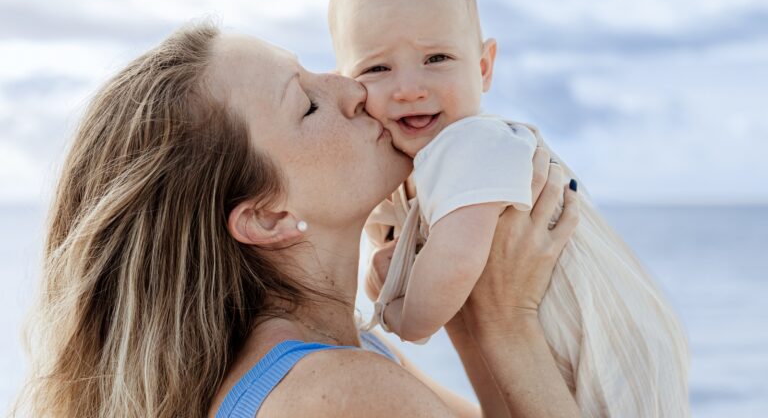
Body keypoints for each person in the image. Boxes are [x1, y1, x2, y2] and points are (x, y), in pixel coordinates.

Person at [15, 22, 581, 417]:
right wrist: (510, 320)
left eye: (316, 72)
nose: (353, 87)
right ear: (266, 217)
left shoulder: (336, 359)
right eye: (307, 104)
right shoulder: (345, 393)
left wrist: (467, 299)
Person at [327, 0, 690, 416]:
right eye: (378, 68)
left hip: (615, 355)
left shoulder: (471, 144)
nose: (410, 88)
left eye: (436, 58)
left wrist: (399, 315)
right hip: (574, 357)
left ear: (483, 67)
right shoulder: (414, 173)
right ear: (349, 86)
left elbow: (450, 273)